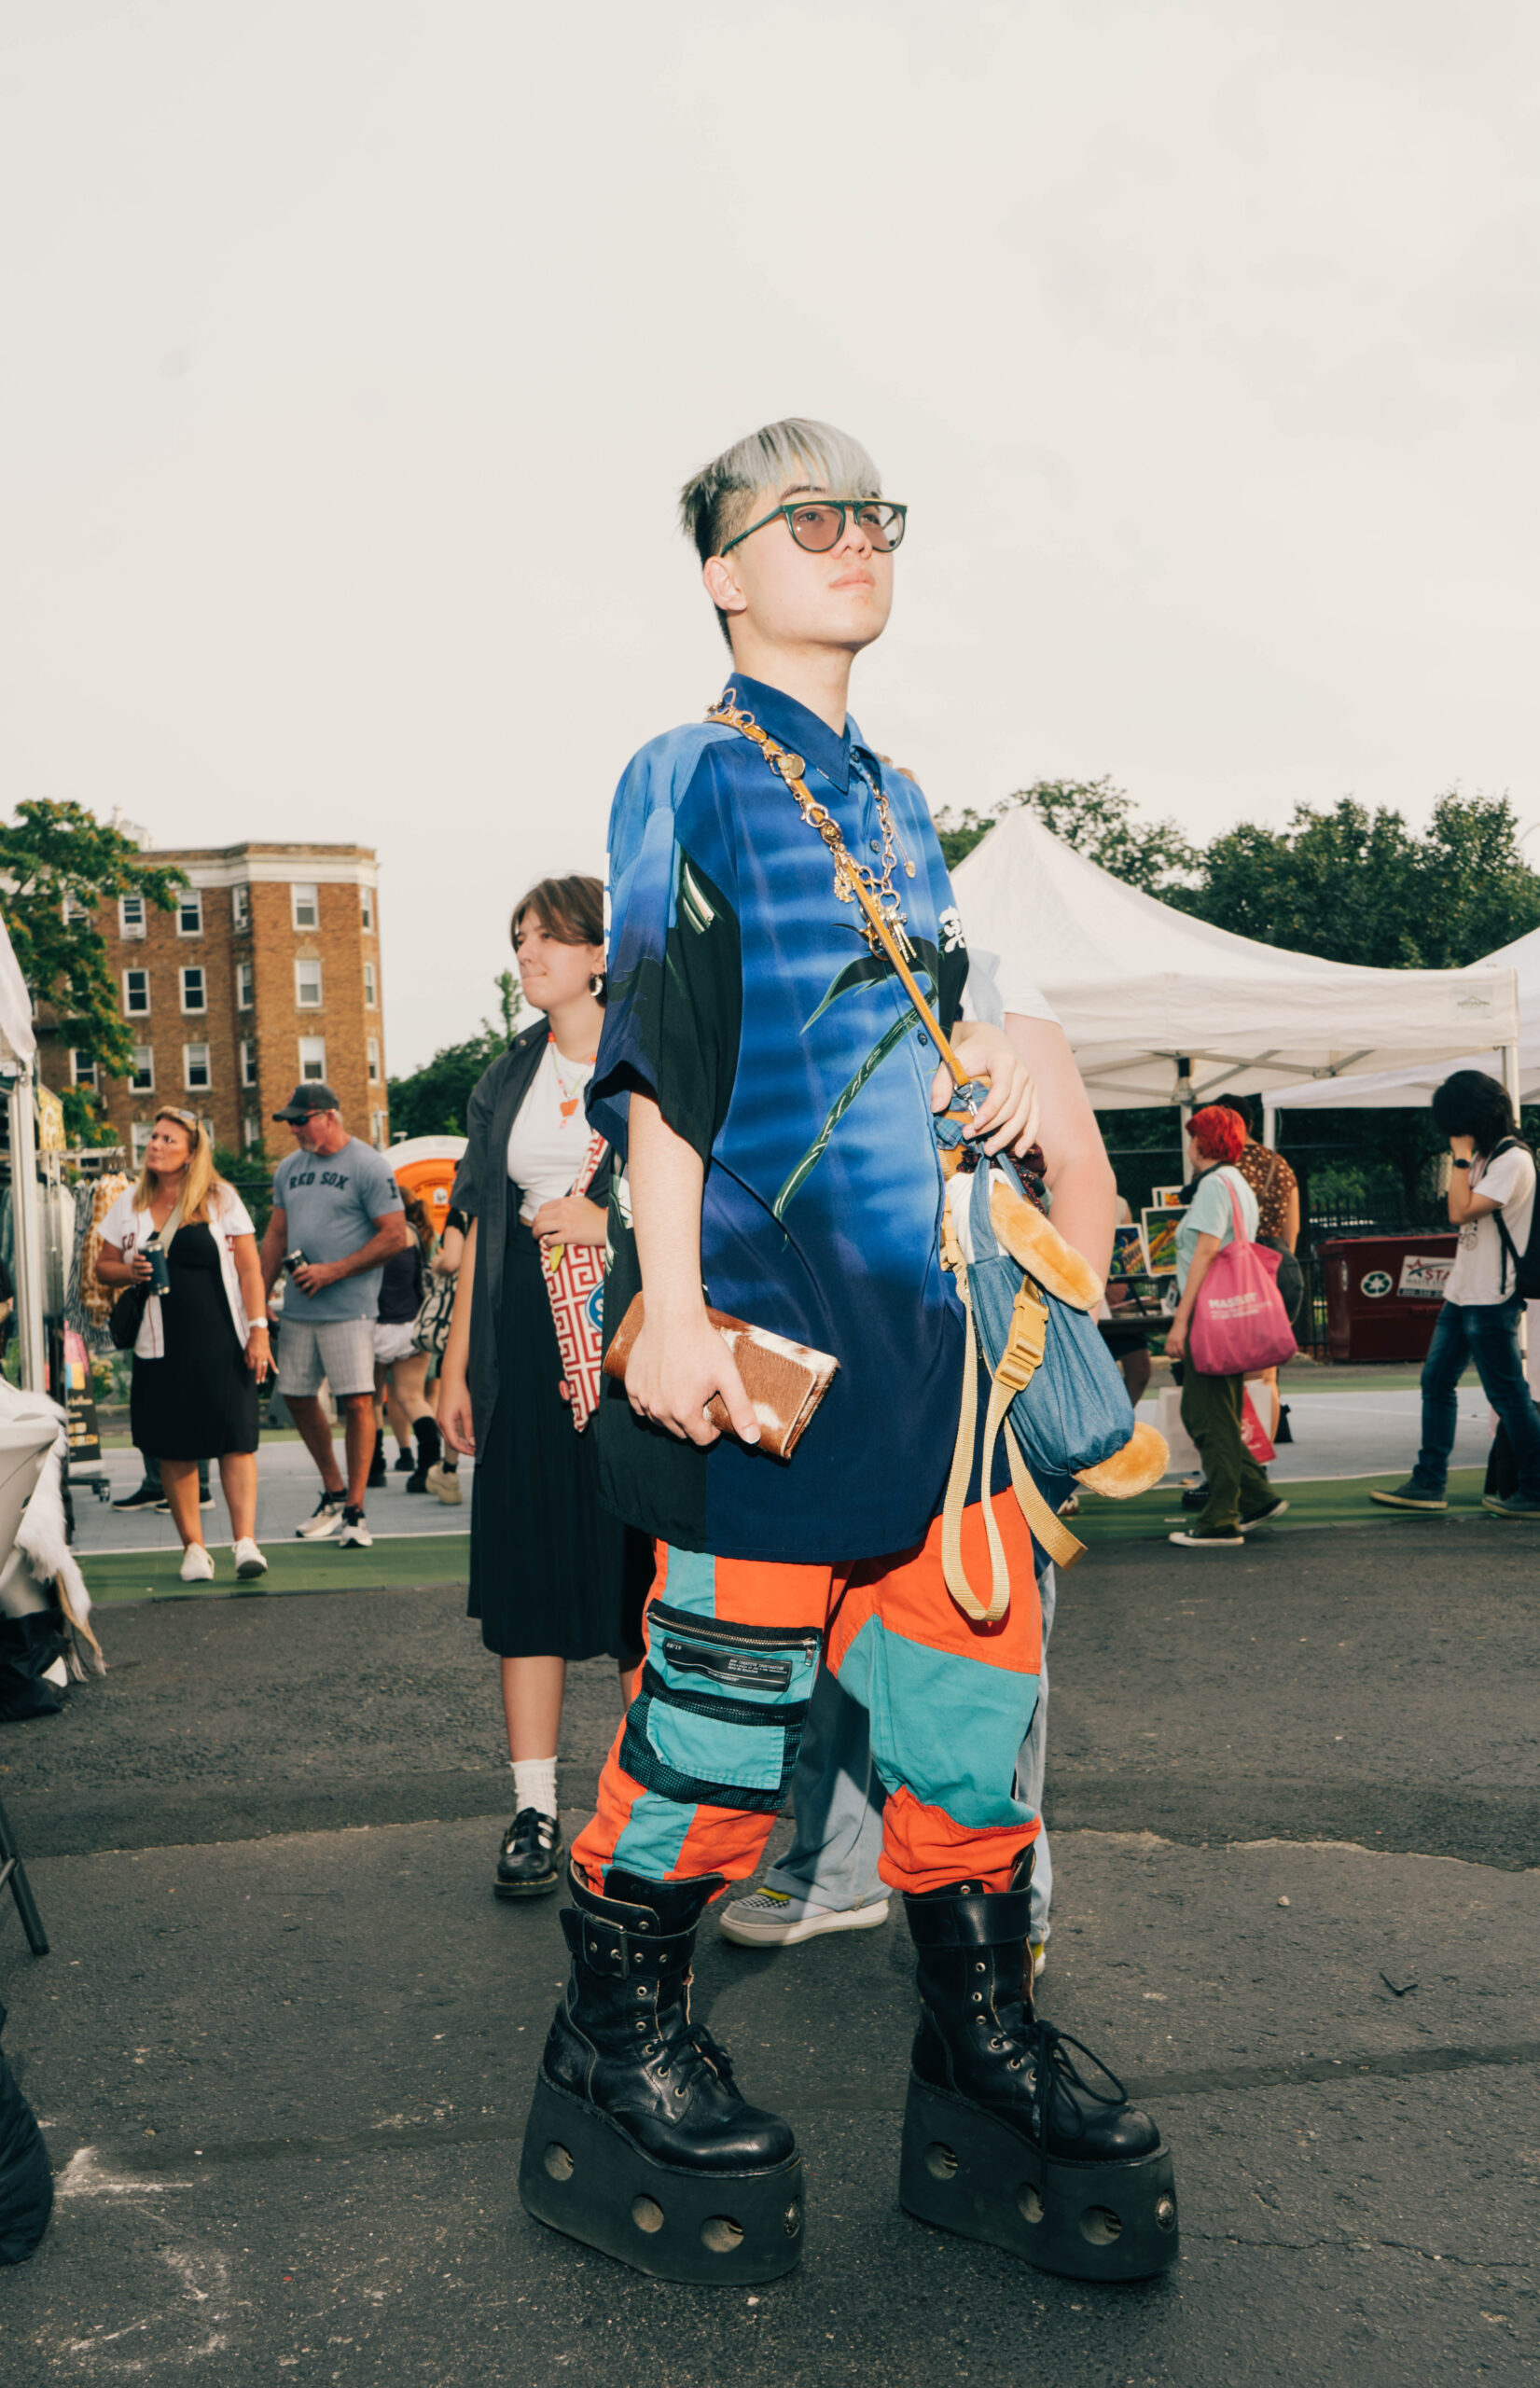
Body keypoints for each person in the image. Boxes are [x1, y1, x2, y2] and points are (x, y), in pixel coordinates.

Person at [519, 419, 1173, 2288]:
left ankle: (978, 2039)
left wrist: (966, 1101)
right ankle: (617, 2038)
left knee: (972, 1735)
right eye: (804, 516)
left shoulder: (891, 796)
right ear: (723, 572)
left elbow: (881, 1046)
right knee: (719, 1731)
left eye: (874, 511)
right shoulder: (690, 770)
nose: (853, 536)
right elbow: (660, 1044)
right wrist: (669, 1309)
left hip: (936, 1355)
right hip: (767, 1364)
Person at [718, 990, 1117, 1976]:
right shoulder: (797, 959)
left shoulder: (987, 962)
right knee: (829, 1647)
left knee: (987, 1668)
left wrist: (1057, 1363)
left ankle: (1004, 1916)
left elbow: (1077, 1170)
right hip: (837, 1379)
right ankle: (838, 1863)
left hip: (970, 1390)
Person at [436, 877, 650, 1903]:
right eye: (519, 939)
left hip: (632, 1336)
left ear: (601, 952)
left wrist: (612, 1226)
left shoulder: (653, 1057)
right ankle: (533, 1808)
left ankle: (653, 1808)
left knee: (638, 1580)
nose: (526, 954)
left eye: (548, 937)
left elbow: (709, 1190)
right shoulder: (505, 1076)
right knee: (529, 1578)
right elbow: (479, 1223)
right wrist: (454, 1367)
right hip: (523, 1340)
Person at [95, 1108, 271, 1584]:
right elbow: (102, 1266)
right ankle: (194, 1548)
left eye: (168, 1140)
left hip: (222, 1339)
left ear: (192, 1153)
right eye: (153, 1137)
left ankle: (245, 1542)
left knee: (235, 1441)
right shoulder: (128, 1202)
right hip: (158, 1344)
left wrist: (258, 1329)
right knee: (174, 1448)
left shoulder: (221, 1198)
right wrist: (129, 1271)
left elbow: (251, 1269)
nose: (155, 1145)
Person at [1371, 1069, 1540, 1520]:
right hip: (1464, 1292)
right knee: (1437, 1383)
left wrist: (1461, 1158)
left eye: (1455, 1124)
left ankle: (1536, 1488)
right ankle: (1429, 1481)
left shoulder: (1513, 1161)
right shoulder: (1487, 1155)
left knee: (1508, 1397)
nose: (1451, 1134)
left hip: (1493, 1296)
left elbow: (1458, 1212)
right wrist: (1467, 1156)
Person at [259, 1086, 408, 1550]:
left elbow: (396, 1236)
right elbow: (275, 1236)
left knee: (358, 1403)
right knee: (297, 1396)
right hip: (300, 1309)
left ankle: (356, 1510)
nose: (293, 1129)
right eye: (289, 1121)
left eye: (300, 1120)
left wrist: (334, 1270)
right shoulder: (289, 1168)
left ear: (328, 1116)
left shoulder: (368, 1165)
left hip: (350, 1308)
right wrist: (256, 1303)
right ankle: (334, 1491)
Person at [1163, 1104, 1287, 1549]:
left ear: (1202, 1141)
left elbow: (1206, 1253)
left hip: (1209, 1316)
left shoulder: (1214, 1186)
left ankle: (1222, 1516)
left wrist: (1181, 1322)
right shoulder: (1236, 1183)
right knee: (1215, 1412)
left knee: (1208, 1415)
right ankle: (1255, 1494)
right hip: (1230, 1314)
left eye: (1193, 1135)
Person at [1214, 1092, 1301, 1443]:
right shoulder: (1278, 1164)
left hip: (1237, 1272)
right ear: (1250, 1123)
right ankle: (1259, 1455)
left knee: (1232, 1375)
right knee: (1267, 1375)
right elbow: (1291, 1231)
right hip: (1280, 1268)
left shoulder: (1221, 1167)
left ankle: (1240, 1460)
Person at [368, 1194, 442, 1493]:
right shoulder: (412, 1232)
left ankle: (374, 1468)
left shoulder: (367, 1233)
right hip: (412, 1325)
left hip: (372, 1325)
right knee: (413, 1398)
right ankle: (428, 1465)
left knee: (370, 1400)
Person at [424, 1205, 466, 1504]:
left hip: (465, 1318)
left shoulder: (462, 1212)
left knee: (456, 1387)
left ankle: (450, 1471)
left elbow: (451, 1261)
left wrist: (436, 1262)